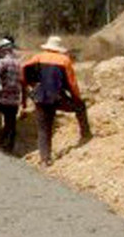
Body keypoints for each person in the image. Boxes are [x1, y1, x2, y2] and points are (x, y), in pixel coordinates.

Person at [21, 35, 91, 166]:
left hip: (40, 97)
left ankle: (45, 159)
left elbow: (24, 70)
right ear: (59, 48)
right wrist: (77, 97)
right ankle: (85, 133)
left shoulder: (38, 57)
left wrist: (31, 85)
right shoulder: (64, 60)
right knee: (80, 107)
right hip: (57, 97)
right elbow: (72, 83)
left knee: (44, 129)